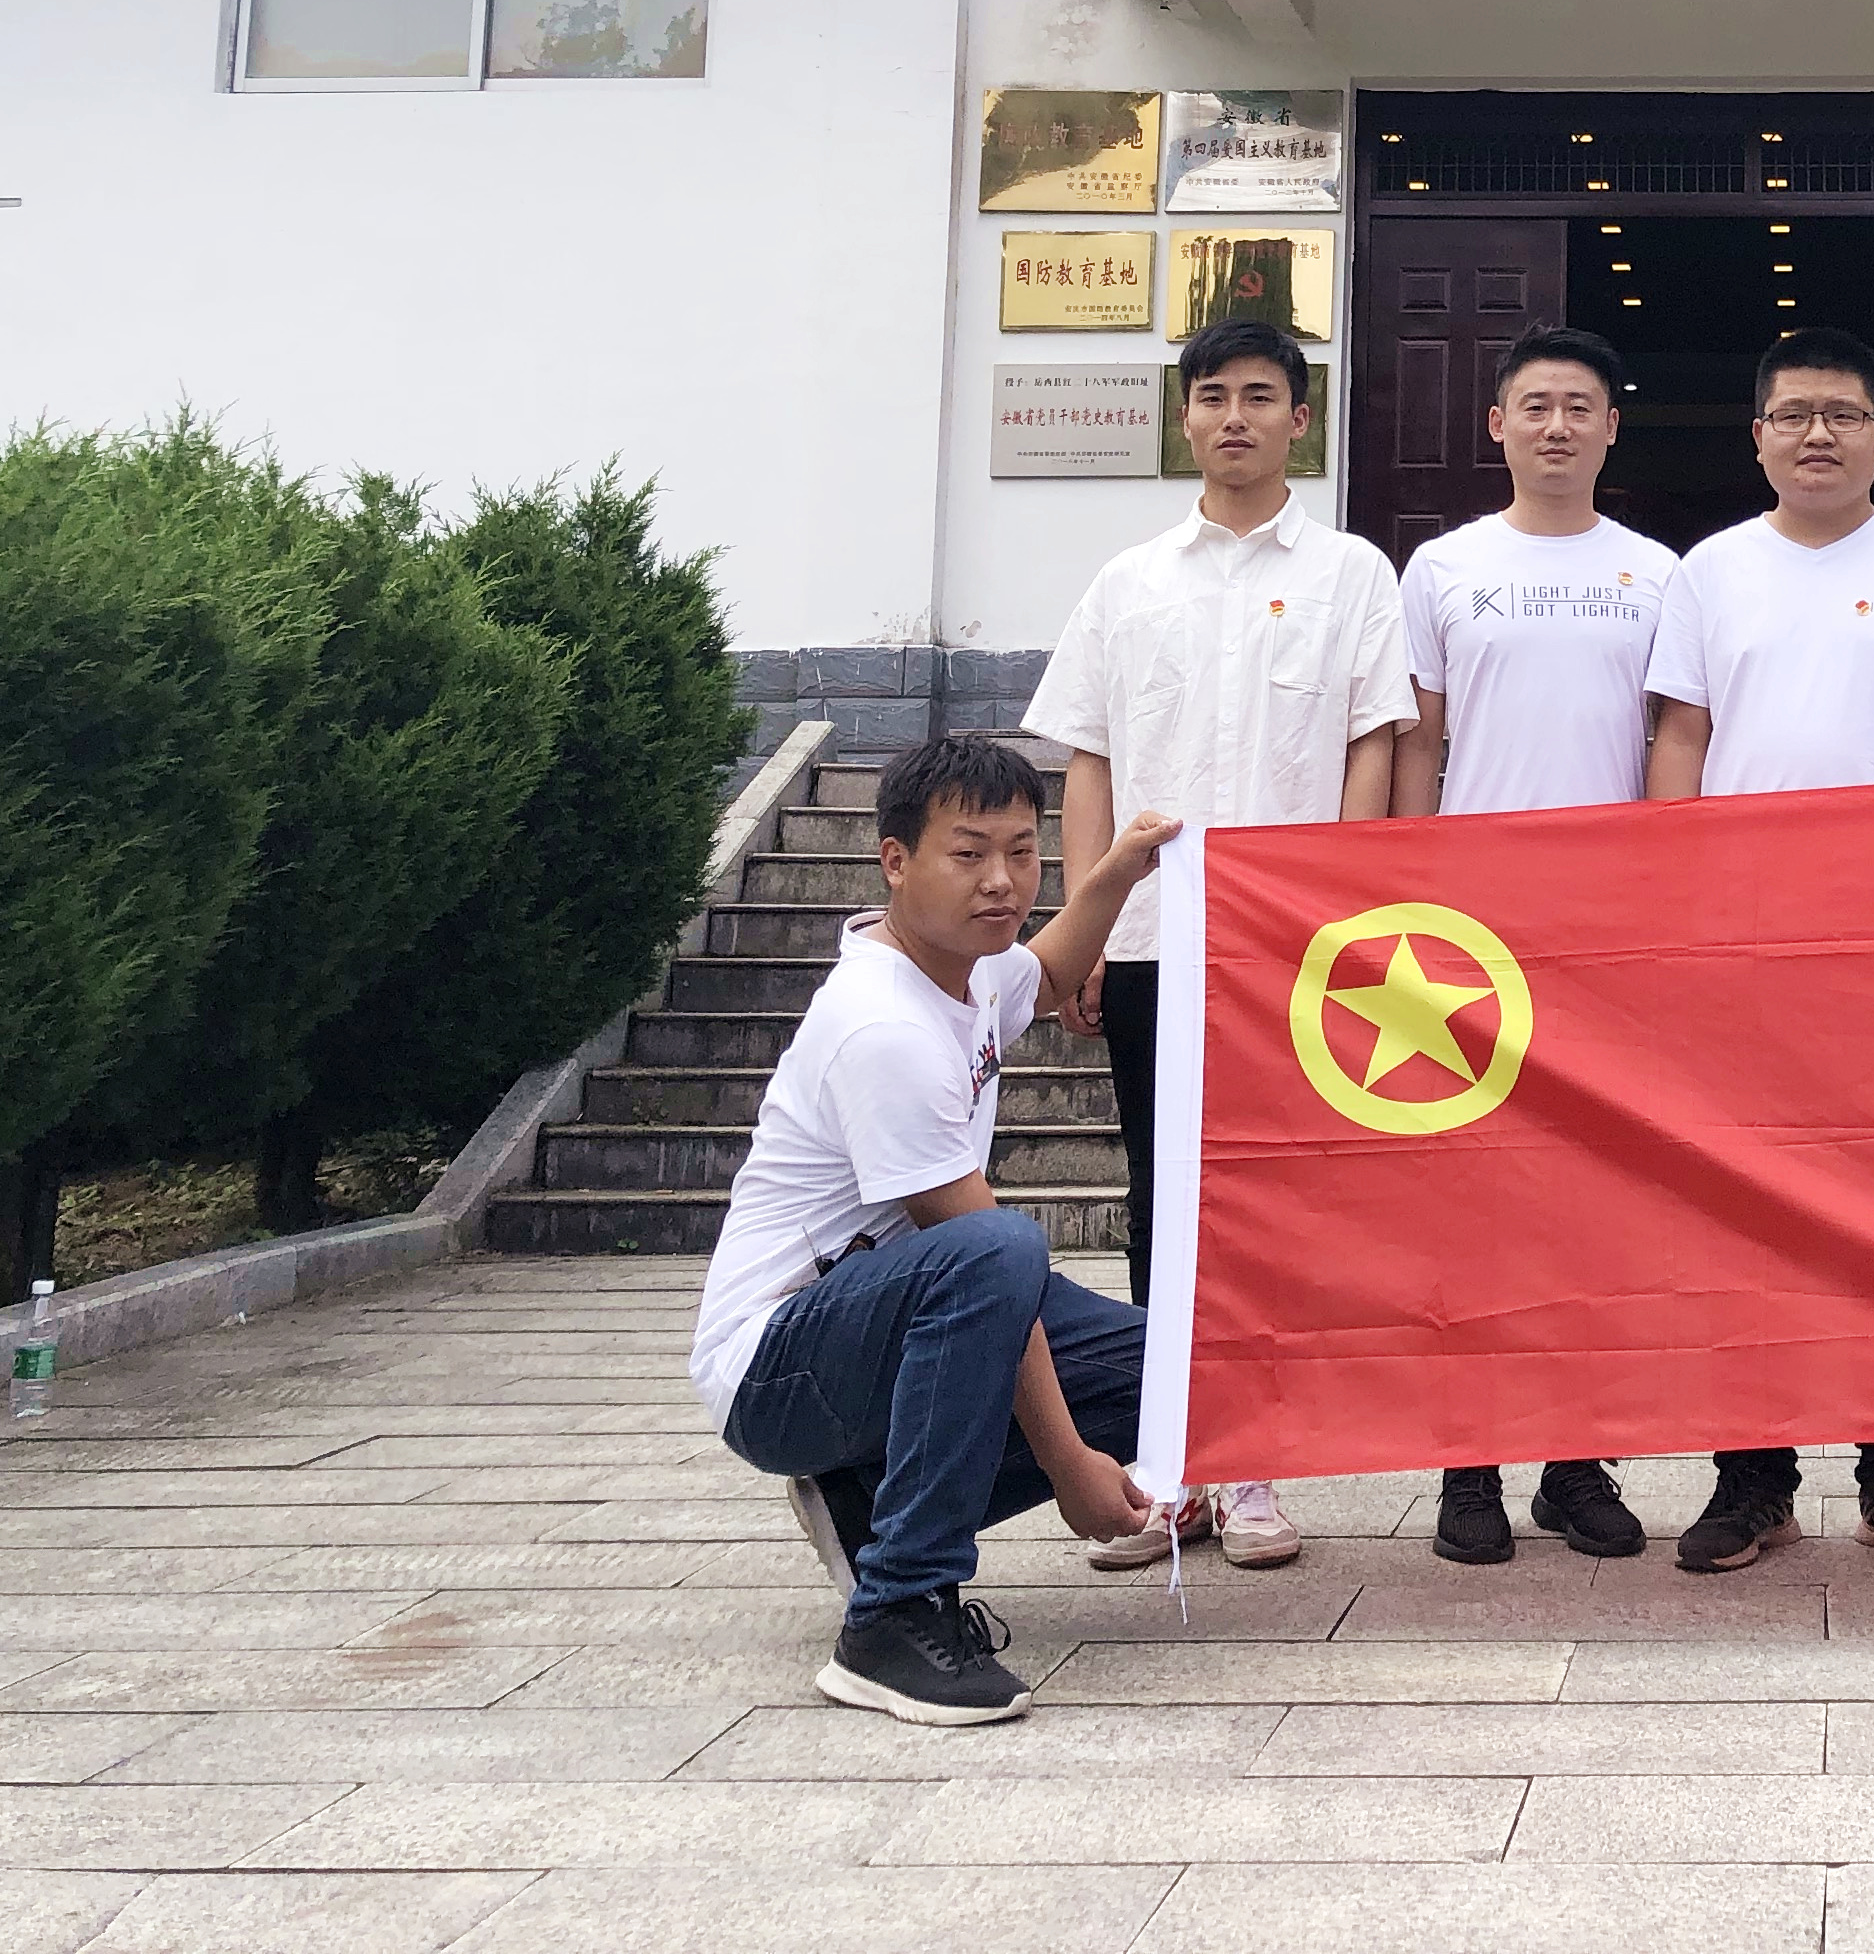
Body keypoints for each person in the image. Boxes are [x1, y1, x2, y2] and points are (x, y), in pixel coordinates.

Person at [1025, 315, 1413, 1573]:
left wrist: (1348, 915)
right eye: (1212, 396)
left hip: (1291, 952)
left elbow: (1371, 748)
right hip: (1151, 942)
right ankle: (1170, 1466)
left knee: (1275, 1201)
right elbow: (1091, 761)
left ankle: (1258, 1468)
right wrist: (1083, 924)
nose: (1233, 417)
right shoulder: (1128, 583)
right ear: (1183, 418)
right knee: (1164, 1197)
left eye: (1258, 395)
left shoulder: (1353, 574)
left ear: (1301, 418)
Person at [689, 731, 1180, 1726]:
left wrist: (1120, 872)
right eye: (968, 855)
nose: (1001, 882)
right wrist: (1070, 1468)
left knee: (1174, 1370)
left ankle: (868, 1504)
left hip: (874, 1322)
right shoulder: (884, 1026)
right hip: (776, 1368)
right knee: (1001, 1251)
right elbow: (980, 1262)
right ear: (895, 860)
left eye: (1021, 852)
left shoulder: (967, 967)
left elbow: (1047, 977)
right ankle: (894, 1615)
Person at [1645, 325, 1874, 1577]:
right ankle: (1752, 1478)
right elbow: (1682, 738)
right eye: (1793, 413)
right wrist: (1672, 898)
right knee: (1744, 1210)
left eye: (1842, 414)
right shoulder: (1710, 571)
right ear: (1757, 436)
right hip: (1744, 939)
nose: (1817, 434)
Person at [1391, 321, 1675, 1567]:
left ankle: (1576, 1460)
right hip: (1469, 930)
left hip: (1610, 926)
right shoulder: (1443, 568)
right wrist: (1403, 885)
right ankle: (1470, 1462)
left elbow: (1678, 738)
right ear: (1497, 425)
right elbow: (1416, 742)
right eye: (1536, 406)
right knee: (1472, 1205)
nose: (1558, 426)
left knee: (1595, 1204)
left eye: (1581, 406)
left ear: (1612, 427)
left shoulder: (1659, 574)